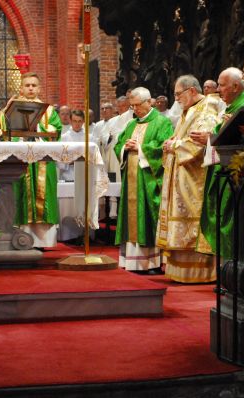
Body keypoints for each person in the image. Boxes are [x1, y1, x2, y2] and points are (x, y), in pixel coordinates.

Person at [156, 75, 222, 283]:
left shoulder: (208, 105)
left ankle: (200, 272)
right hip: (182, 176)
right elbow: (183, 137)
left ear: (192, 91)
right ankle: (180, 271)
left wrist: (174, 146)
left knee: (193, 224)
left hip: (195, 177)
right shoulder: (189, 109)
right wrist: (172, 142)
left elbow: (199, 141)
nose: (176, 99)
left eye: (178, 94)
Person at [114, 87, 173, 273]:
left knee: (148, 218)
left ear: (150, 102)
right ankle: (132, 261)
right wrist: (125, 147)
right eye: (132, 106)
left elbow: (163, 148)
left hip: (149, 181)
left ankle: (152, 263)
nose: (135, 110)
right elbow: (118, 145)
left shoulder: (162, 122)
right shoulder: (131, 125)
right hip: (131, 180)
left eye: (138, 105)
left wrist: (139, 148)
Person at [197, 68, 244, 260]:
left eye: (221, 85)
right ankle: (226, 269)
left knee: (229, 219)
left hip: (234, 171)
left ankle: (233, 269)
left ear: (236, 86)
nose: (218, 90)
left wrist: (210, 138)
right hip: (223, 167)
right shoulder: (231, 105)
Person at [6, 72, 62, 248]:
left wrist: (37, 125)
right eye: (27, 85)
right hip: (20, 160)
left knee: (43, 198)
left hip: (42, 160)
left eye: (34, 85)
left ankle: (42, 241)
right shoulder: (14, 108)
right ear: (21, 88)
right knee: (21, 195)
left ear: (39, 88)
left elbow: (56, 130)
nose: (30, 88)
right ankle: (20, 238)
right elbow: (5, 129)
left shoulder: (49, 110)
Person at [58, 109, 100, 182]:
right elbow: (59, 158)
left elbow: (96, 156)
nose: (77, 124)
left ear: (83, 121)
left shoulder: (90, 138)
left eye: (79, 121)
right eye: (75, 121)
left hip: (86, 174)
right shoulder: (64, 138)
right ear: (70, 121)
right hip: (68, 175)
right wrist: (70, 161)